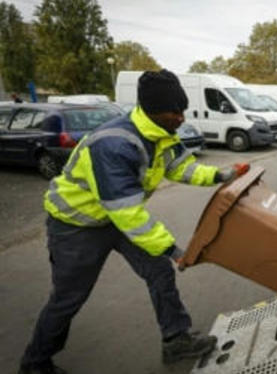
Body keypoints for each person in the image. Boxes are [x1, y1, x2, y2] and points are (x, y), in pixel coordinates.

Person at [19, 69, 249, 374]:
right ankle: (34, 363)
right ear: (152, 111)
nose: (181, 118)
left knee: (159, 273)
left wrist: (219, 175)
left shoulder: (162, 133)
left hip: (115, 219)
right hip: (77, 226)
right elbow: (128, 214)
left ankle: (175, 339)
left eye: (182, 110)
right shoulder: (114, 144)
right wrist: (171, 248)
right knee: (68, 299)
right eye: (174, 112)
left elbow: (181, 168)